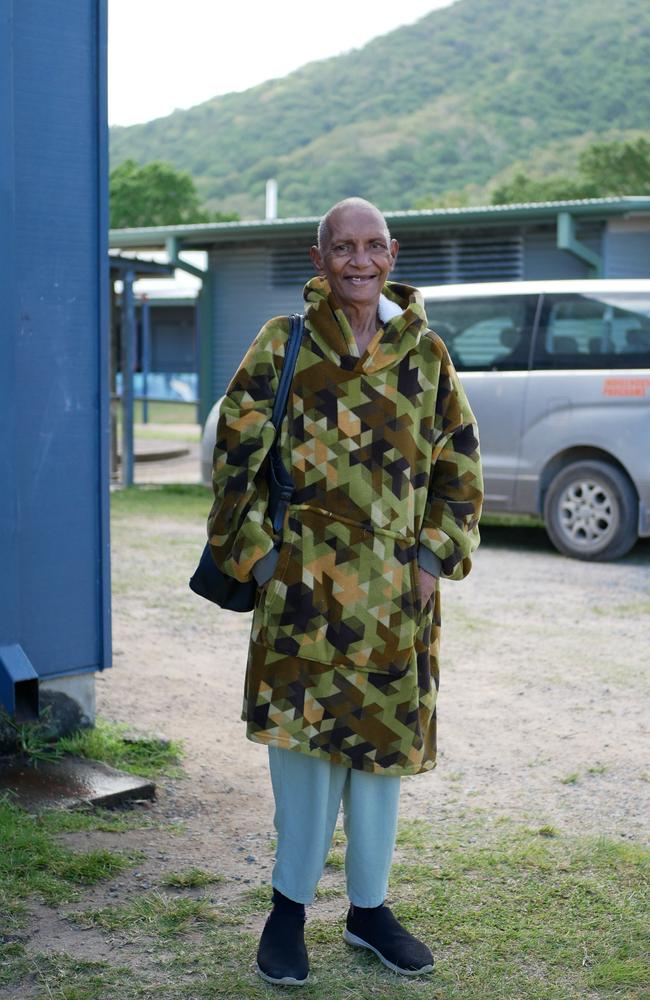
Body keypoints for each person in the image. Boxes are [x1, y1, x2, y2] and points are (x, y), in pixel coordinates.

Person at [208, 197, 483, 985]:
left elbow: (460, 466)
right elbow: (233, 459)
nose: (359, 261)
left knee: (378, 764)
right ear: (319, 256)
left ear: (392, 255)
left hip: (396, 599)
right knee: (302, 756)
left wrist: (431, 562)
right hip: (302, 595)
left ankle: (369, 910)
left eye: (372, 246)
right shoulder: (282, 343)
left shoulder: (425, 352)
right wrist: (261, 560)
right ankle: (287, 910)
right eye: (343, 248)